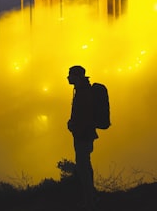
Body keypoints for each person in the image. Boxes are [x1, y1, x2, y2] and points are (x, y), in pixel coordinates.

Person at [67, 65, 97, 208]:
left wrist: (74, 126)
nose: (67, 77)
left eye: (70, 75)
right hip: (84, 134)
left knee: (83, 166)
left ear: (77, 76)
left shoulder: (83, 93)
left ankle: (89, 201)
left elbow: (84, 116)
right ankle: (89, 197)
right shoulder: (81, 90)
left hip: (83, 135)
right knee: (84, 165)